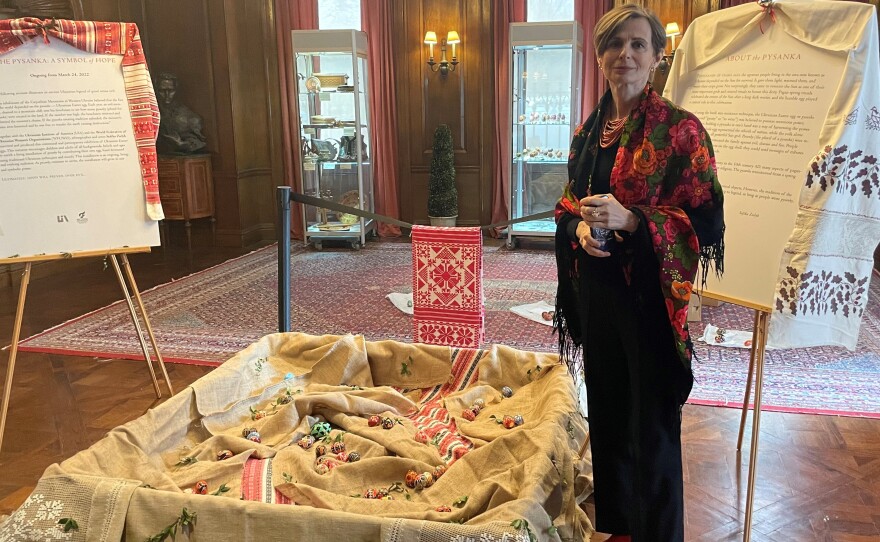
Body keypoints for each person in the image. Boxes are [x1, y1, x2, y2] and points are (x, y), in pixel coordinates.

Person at [553, 5, 724, 542]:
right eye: (614, 45)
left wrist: (634, 220)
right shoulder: (588, 132)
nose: (624, 54)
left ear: (656, 57)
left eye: (637, 45)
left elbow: (707, 217)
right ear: (600, 56)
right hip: (598, 297)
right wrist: (579, 230)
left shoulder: (681, 131)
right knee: (606, 413)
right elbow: (568, 205)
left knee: (651, 429)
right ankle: (619, 530)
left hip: (649, 302)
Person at [154, 72, 208, 155]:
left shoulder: (190, 117)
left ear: (177, 91)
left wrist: (183, 145)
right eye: (162, 90)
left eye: (171, 90)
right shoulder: (150, 115)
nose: (167, 95)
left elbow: (197, 143)